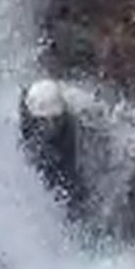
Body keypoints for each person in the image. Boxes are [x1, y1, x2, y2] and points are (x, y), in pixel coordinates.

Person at [18, 79, 87, 213]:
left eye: (55, 120)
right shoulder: (24, 116)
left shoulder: (76, 105)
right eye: (45, 121)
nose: (51, 125)